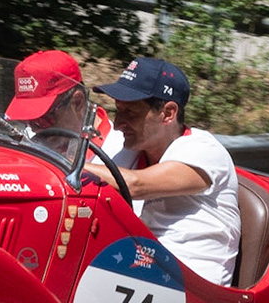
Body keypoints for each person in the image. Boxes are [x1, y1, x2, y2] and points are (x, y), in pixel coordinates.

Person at [86, 57, 242, 286]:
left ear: (168, 113)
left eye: (130, 113)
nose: (118, 124)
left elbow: (135, 185)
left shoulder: (204, 150)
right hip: (140, 274)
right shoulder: (130, 150)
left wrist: (69, 165)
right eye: (117, 111)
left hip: (193, 290)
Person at [4, 49, 114, 153]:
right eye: (27, 117)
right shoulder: (28, 137)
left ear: (77, 103)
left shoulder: (118, 152)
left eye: (43, 118)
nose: (33, 128)